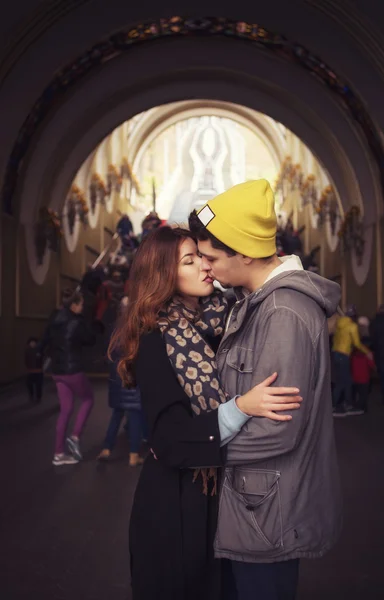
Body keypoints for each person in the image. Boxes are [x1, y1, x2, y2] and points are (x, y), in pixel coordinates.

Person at [111, 226, 303, 600]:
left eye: (202, 256)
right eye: (189, 260)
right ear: (163, 274)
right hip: (177, 505)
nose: (204, 266)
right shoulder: (157, 340)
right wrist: (242, 407)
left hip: (228, 496)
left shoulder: (227, 321)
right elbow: (169, 440)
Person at [188, 178, 342, 600]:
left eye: (211, 257)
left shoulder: (282, 312)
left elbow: (279, 428)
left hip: (267, 511)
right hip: (255, 502)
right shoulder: (259, 302)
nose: (206, 267)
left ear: (244, 252)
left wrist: (196, 450)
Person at [45, 289, 97, 466]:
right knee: (88, 399)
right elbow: (90, 340)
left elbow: (45, 341)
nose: (82, 307)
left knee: (66, 410)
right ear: (74, 305)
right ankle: (75, 436)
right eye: (81, 304)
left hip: (57, 371)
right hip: (72, 369)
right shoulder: (76, 322)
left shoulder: (54, 319)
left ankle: (58, 454)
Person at [98, 299, 147, 467]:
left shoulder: (114, 329)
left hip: (116, 378)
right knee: (135, 418)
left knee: (116, 416)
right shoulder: (138, 329)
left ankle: (106, 448)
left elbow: (108, 355)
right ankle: (133, 455)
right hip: (132, 379)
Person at [331, 304, 373, 417]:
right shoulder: (352, 326)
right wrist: (367, 352)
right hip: (344, 355)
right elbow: (357, 344)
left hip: (335, 353)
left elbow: (335, 339)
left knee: (342, 381)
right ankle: (343, 405)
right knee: (346, 382)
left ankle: (339, 404)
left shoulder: (339, 323)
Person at [351, 343, 375, 414]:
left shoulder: (353, 356)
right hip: (365, 378)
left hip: (355, 378)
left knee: (357, 393)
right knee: (363, 394)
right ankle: (360, 407)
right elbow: (372, 365)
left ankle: (359, 406)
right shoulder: (367, 356)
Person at [24, 337, 43, 403]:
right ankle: (31, 396)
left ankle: (38, 398)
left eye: (34, 342)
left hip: (38, 371)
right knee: (29, 385)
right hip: (30, 371)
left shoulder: (39, 350)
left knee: (38, 386)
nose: (32, 344)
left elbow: (42, 359)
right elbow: (26, 360)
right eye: (31, 343)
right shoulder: (27, 351)